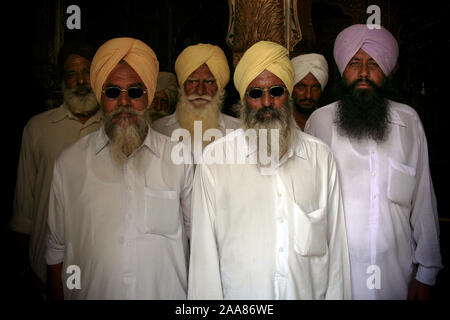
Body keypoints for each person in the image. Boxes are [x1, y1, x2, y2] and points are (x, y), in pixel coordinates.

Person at [188, 41, 351, 300]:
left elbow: (337, 256)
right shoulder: (216, 161)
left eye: (276, 91)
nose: (267, 101)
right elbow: (203, 259)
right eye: (255, 93)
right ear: (243, 100)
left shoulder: (321, 158)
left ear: (288, 95)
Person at [45, 37, 193, 300]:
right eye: (113, 92)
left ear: (148, 95)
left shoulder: (179, 158)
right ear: (100, 96)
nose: (124, 102)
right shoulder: (69, 165)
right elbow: (56, 252)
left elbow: (199, 245)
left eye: (135, 92)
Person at [304, 24, 442, 300]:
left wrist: (427, 272)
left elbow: (422, 200)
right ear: (343, 69)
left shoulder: (408, 122)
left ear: (388, 70)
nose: (364, 73)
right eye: (355, 63)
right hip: (335, 277)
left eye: (373, 63)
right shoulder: (319, 122)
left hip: (395, 275)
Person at [9, 40, 103, 297]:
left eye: (86, 72)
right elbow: (24, 210)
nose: (81, 81)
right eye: (72, 74)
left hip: (100, 269)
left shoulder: (114, 128)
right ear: (62, 81)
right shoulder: (38, 129)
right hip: (43, 267)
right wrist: (27, 271)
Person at [152, 43, 240, 155]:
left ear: (219, 88)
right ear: (182, 87)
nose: (200, 91)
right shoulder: (158, 130)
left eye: (209, 82)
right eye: (192, 81)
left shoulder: (237, 130)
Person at [290, 53, 328, 130]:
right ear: (292, 88)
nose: (308, 95)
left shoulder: (329, 123)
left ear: (321, 89)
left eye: (314, 87)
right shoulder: (279, 122)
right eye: (301, 87)